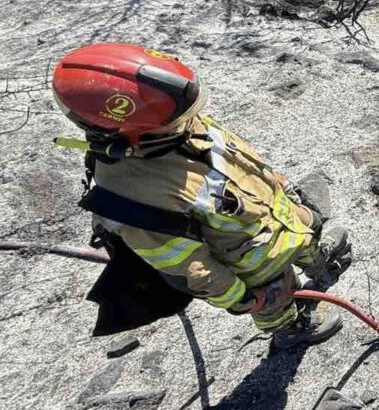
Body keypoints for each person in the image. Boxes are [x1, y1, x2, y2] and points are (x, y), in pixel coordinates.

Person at [52, 42, 352, 347]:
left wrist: (278, 183)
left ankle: (317, 261)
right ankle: (290, 327)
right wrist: (244, 299)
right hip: (253, 263)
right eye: (180, 121)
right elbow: (190, 267)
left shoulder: (174, 123)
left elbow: (236, 156)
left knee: (306, 233)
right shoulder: (129, 201)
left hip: (279, 216)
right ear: (126, 132)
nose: (193, 121)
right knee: (276, 296)